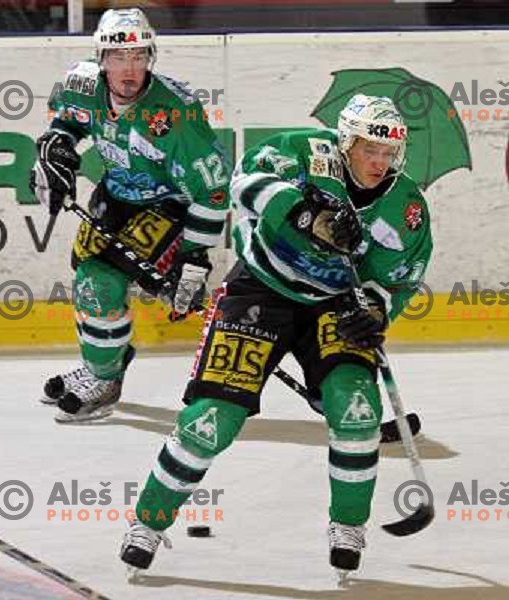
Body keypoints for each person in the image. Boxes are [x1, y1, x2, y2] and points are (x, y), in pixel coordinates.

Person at [119, 94, 433, 577]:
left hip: (335, 304)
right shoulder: (305, 153)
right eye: (369, 149)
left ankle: (348, 524)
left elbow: (400, 278)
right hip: (259, 288)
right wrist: (304, 212)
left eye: (389, 154)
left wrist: (375, 309)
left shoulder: (406, 207)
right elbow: (242, 181)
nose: (379, 162)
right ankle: (148, 521)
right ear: (346, 142)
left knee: (358, 412)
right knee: (212, 418)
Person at [30, 8, 231, 424]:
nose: (130, 68)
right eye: (120, 58)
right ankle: (99, 365)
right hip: (116, 192)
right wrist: (57, 149)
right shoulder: (81, 83)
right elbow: (68, 121)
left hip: (169, 204)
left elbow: (212, 192)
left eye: (139, 56)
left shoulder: (176, 113)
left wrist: (193, 260)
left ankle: (104, 379)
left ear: (150, 57)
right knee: (87, 277)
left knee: (99, 282)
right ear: (101, 60)